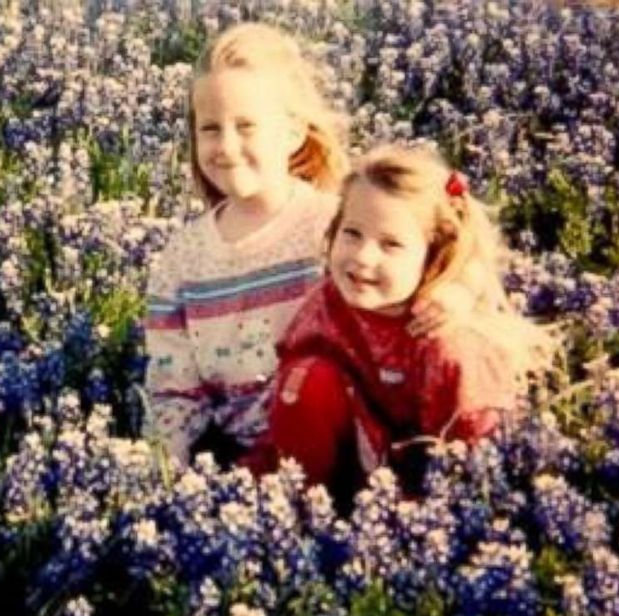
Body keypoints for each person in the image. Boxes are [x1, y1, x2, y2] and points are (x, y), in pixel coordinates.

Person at [143, 23, 477, 468]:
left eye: (246, 126)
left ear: (293, 133)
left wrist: (458, 291)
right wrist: (164, 469)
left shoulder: (336, 223)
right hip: (247, 457)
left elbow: (433, 246)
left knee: (315, 380)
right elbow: (173, 386)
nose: (226, 145)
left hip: (354, 434)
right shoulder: (182, 258)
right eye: (209, 128)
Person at [255, 143, 558, 495]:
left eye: (391, 245)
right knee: (304, 378)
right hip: (359, 456)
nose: (363, 257)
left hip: (429, 478)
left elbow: (473, 434)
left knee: (452, 361)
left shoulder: (444, 333)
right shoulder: (329, 301)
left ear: (432, 255)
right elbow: (293, 385)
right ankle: (299, 502)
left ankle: (432, 512)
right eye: (352, 234)